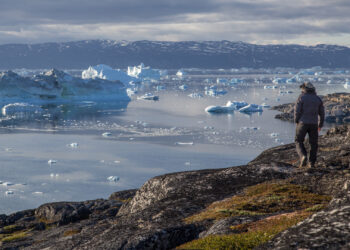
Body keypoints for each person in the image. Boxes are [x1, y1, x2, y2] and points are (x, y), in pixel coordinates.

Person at [294, 82, 325, 168]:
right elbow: (322, 113)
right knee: (313, 143)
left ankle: (303, 156)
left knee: (298, 140)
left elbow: (297, 111)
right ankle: (311, 163)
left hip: (302, 123)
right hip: (314, 124)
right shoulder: (318, 99)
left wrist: (297, 121)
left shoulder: (301, 97)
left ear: (304, 88)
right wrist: (320, 125)